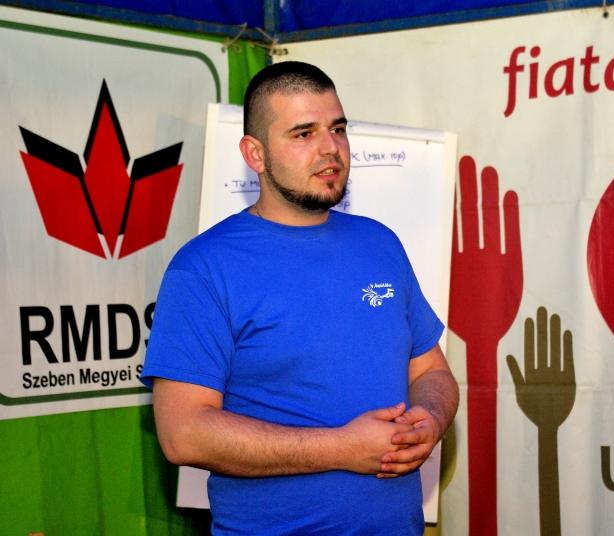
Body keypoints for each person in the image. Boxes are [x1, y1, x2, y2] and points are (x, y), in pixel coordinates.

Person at [140, 61, 459, 536]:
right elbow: (183, 434)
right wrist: (344, 448)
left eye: (338, 129)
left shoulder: (380, 243)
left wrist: (429, 419)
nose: (331, 148)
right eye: (304, 133)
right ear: (255, 153)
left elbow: (431, 371)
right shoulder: (203, 268)